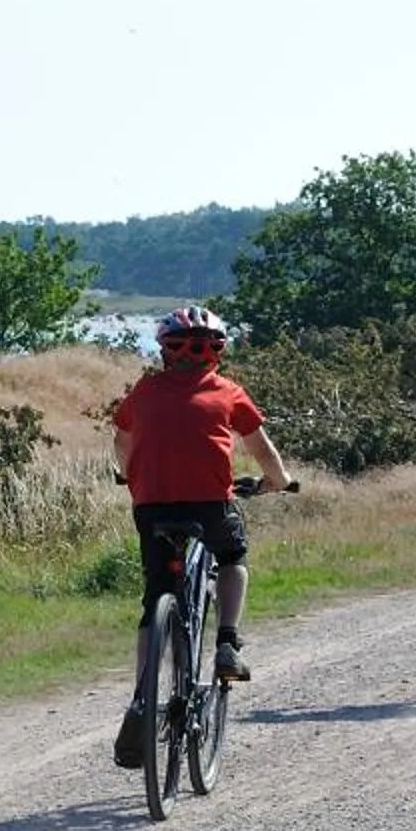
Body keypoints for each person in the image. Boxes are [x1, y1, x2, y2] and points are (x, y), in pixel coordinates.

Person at [110, 305, 298, 768]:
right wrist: (279, 479)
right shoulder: (228, 392)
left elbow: (121, 440)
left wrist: (123, 472)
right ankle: (228, 642)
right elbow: (261, 449)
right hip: (210, 504)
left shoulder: (145, 391)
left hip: (151, 507)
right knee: (232, 555)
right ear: (217, 354)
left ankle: (142, 696)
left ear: (165, 352)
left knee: (155, 596)